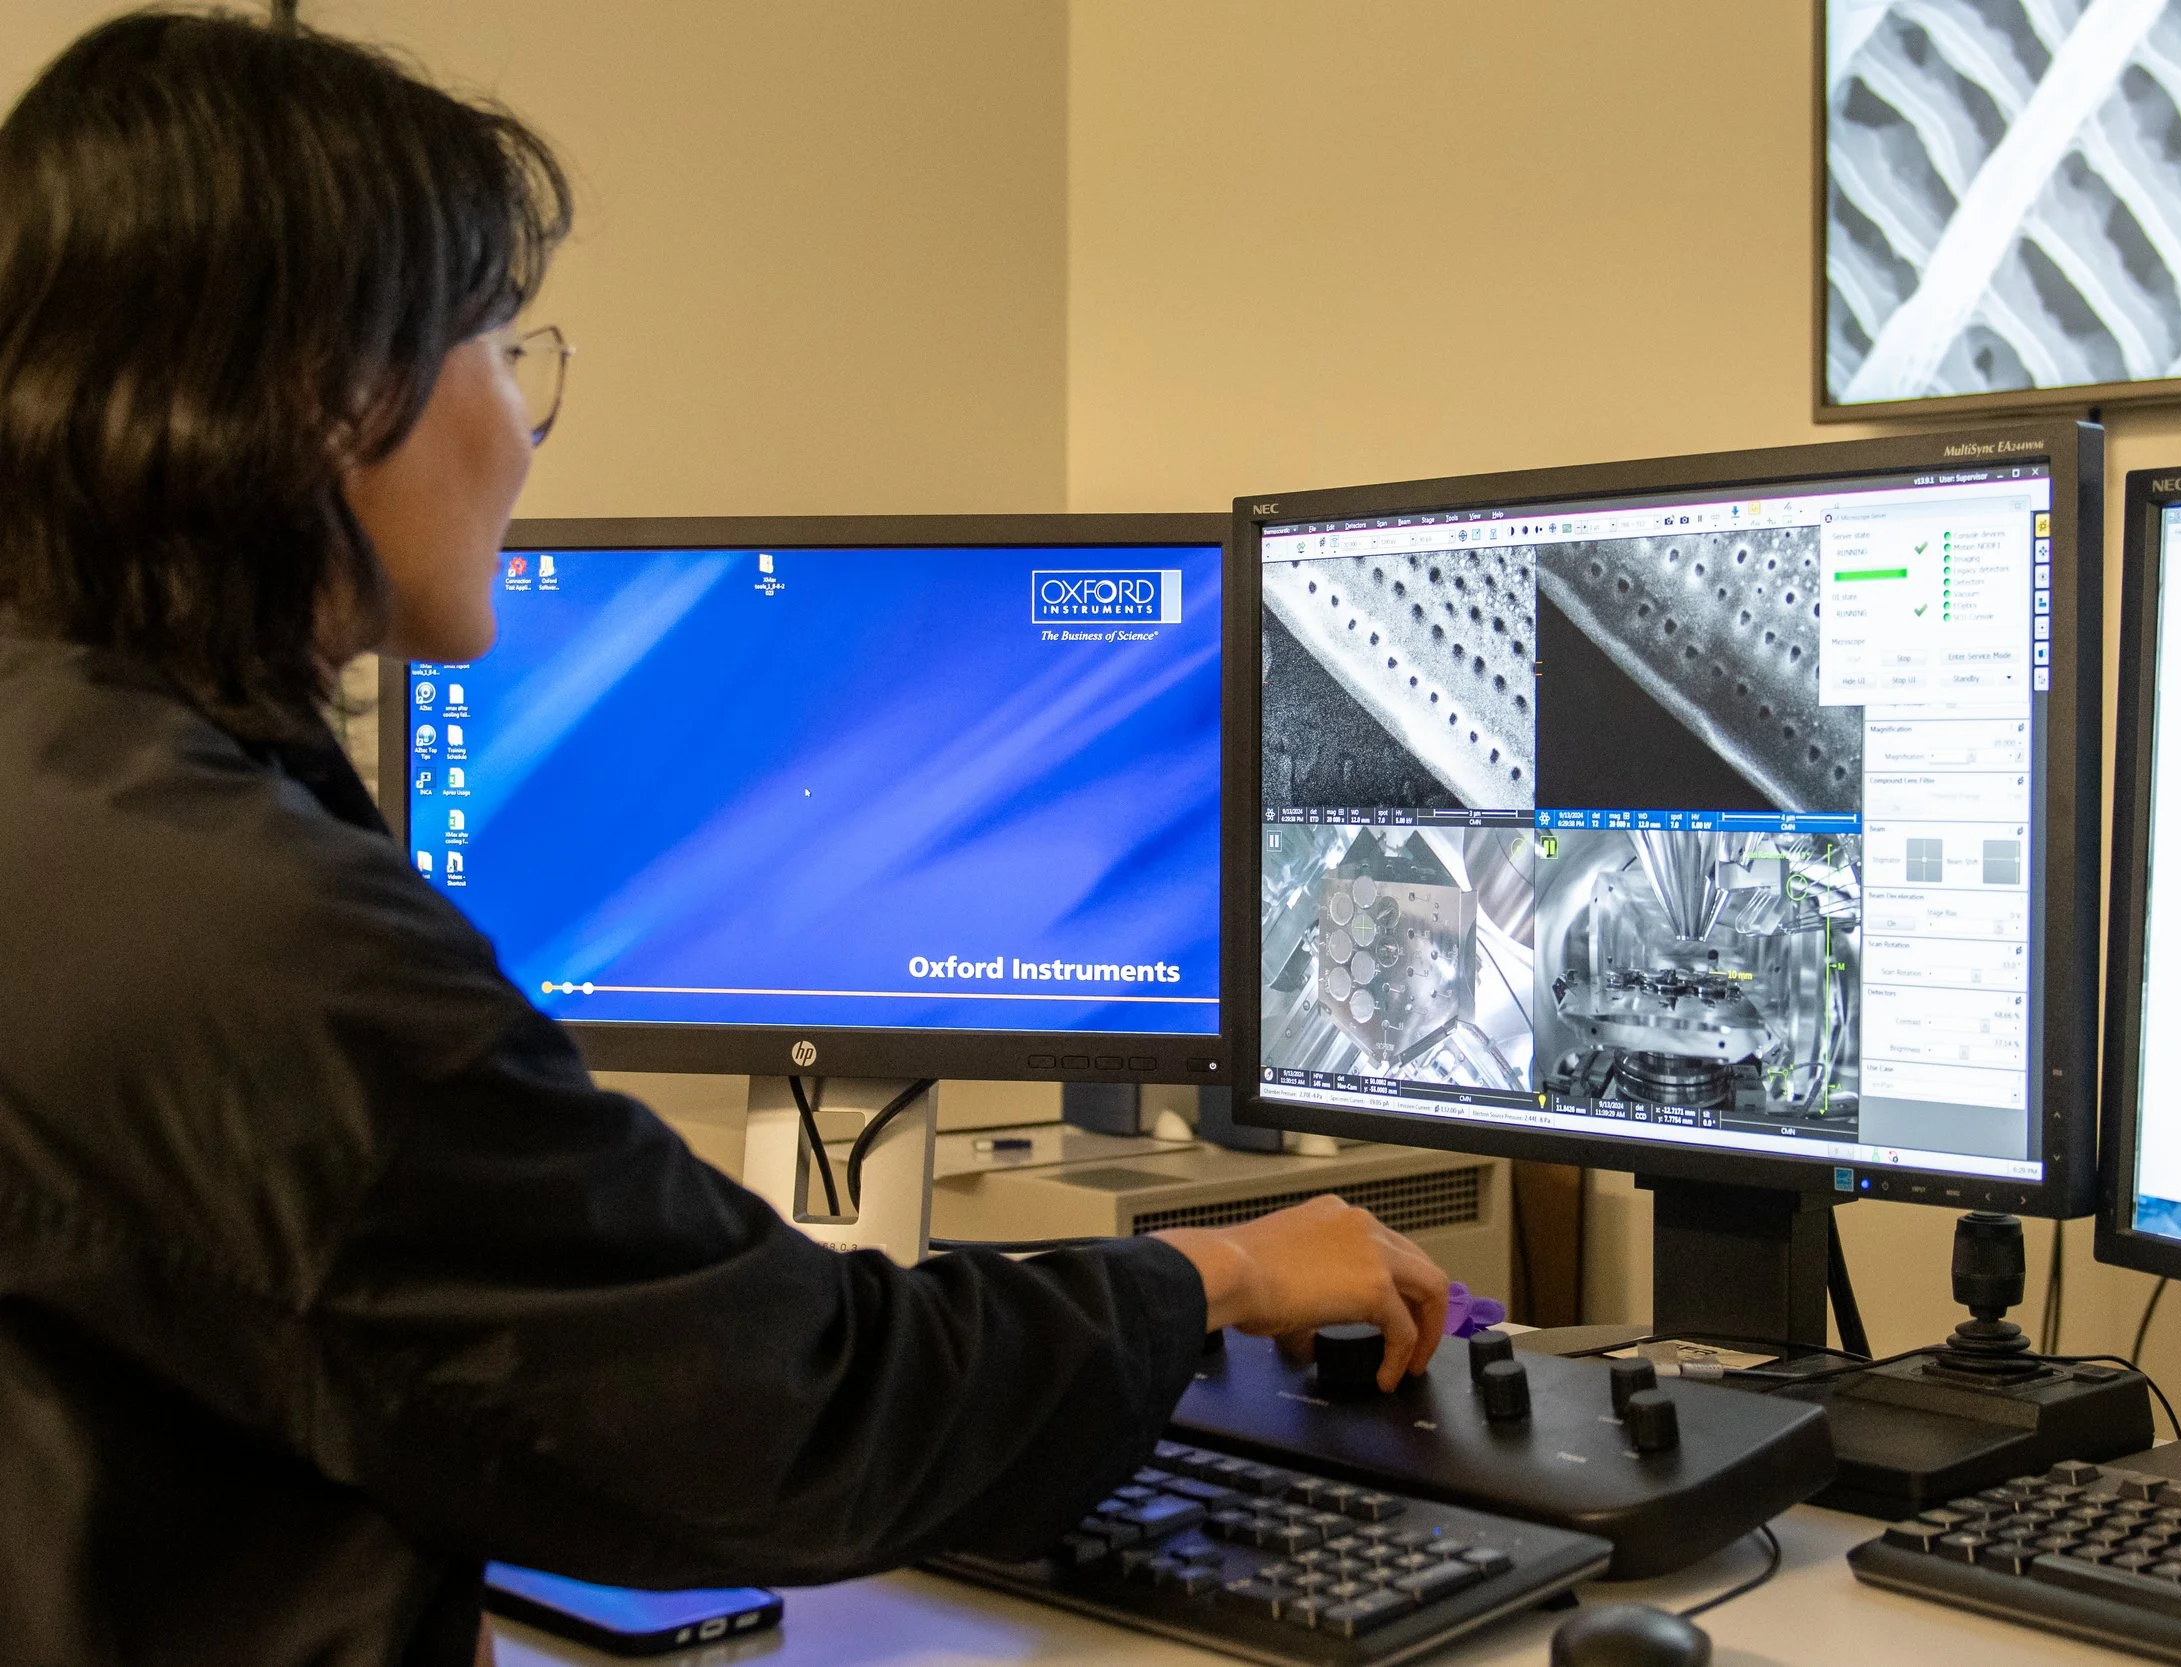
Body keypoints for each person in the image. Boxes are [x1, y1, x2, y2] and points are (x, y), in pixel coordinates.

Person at [0, 13, 1448, 1666]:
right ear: (328, 387)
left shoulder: (70, 789)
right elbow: (789, 1408)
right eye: (495, 342)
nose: (525, 423)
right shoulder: (241, 935)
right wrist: (1221, 1272)